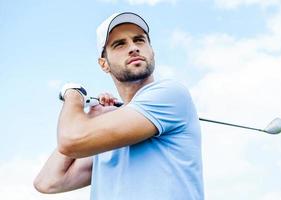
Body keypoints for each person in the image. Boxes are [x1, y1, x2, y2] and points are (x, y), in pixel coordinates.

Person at [34, 12, 204, 200]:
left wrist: (73, 94)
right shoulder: (106, 137)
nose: (133, 48)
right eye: (120, 44)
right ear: (104, 64)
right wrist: (92, 119)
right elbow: (48, 181)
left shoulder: (169, 94)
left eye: (139, 40)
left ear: (152, 51)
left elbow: (70, 140)